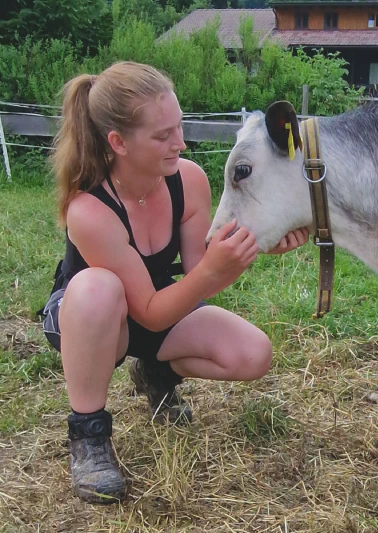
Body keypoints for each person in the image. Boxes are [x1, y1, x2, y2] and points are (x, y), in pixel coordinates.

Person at [38, 61, 308, 504]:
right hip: (91, 319)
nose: (179, 143)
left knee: (253, 355)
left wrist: (256, 244)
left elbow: (204, 275)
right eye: (163, 136)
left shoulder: (189, 180)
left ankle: (155, 370)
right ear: (118, 143)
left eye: (179, 127)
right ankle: (88, 435)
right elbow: (147, 308)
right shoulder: (88, 209)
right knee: (98, 288)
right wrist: (210, 271)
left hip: (161, 304)